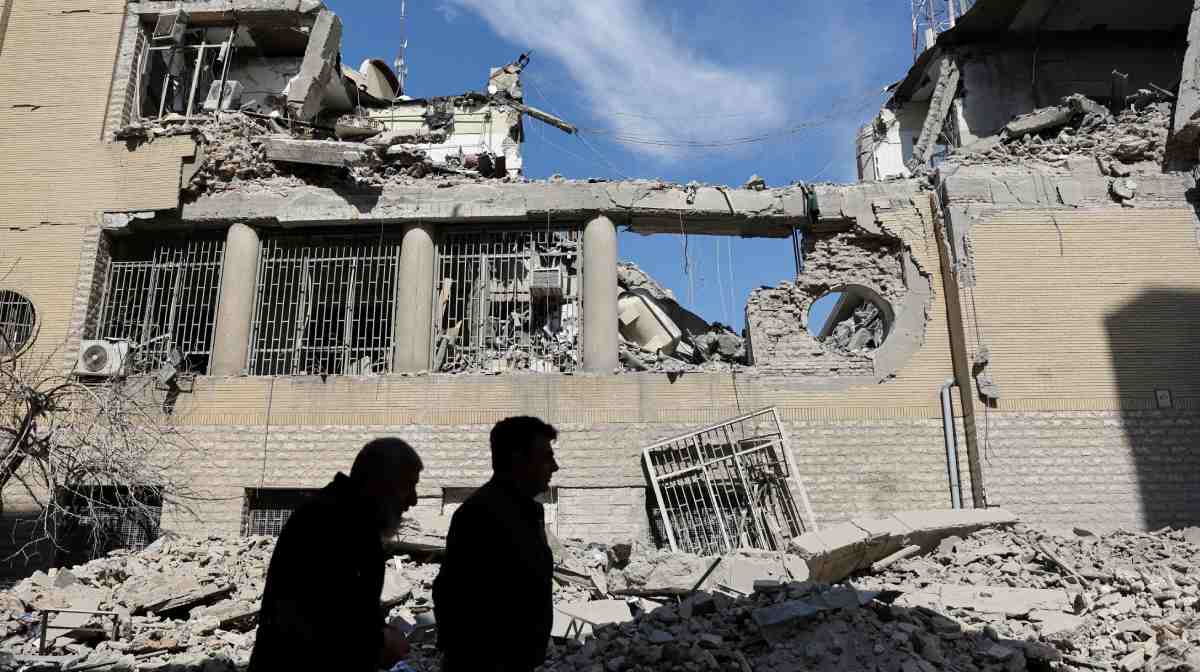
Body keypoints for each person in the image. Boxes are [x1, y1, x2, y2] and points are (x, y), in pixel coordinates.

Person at [248, 438, 422, 672]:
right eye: (408, 486)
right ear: (382, 483)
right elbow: (318, 625)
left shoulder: (353, 522)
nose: (413, 500)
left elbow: (348, 609)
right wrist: (380, 643)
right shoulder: (330, 523)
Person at [434, 416, 560, 672]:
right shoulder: (479, 515)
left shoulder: (530, 512)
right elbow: (451, 595)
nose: (554, 467)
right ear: (519, 459)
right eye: (546, 457)